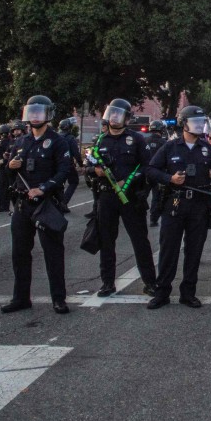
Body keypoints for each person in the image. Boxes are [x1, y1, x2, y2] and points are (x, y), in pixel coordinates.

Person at [145, 106, 211, 309]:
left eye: (201, 122)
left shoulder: (209, 149)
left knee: (194, 251)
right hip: (175, 205)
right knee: (168, 250)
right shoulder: (170, 148)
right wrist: (169, 178)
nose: (199, 126)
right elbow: (151, 169)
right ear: (183, 124)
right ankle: (162, 292)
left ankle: (188, 293)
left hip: (199, 207)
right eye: (194, 122)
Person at [1, 96, 73, 315]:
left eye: (38, 112)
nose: (34, 116)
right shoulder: (21, 141)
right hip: (23, 205)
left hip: (46, 204)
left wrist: (44, 187)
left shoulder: (58, 141)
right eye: (31, 112)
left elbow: (64, 172)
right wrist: (10, 166)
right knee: (20, 253)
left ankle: (58, 299)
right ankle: (21, 298)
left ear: (48, 114)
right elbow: (9, 172)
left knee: (53, 253)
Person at [86, 98, 156, 297]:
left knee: (140, 241)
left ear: (127, 118)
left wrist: (129, 180)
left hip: (131, 197)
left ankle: (150, 282)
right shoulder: (100, 140)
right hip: (106, 197)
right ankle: (107, 283)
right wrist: (94, 170)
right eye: (112, 114)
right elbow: (89, 166)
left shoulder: (136, 140)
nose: (114, 118)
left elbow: (147, 167)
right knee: (107, 242)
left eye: (119, 115)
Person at [145, 120, 167, 226]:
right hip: (158, 174)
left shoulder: (144, 141)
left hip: (145, 173)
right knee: (156, 197)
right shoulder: (164, 143)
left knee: (142, 194)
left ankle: (137, 214)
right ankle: (153, 219)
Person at [58, 118, 83, 207]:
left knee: (59, 184)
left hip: (57, 165)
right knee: (74, 182)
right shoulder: (70, 138)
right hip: (68, 165)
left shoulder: (56, 137)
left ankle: (58, 202)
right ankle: (63, 202)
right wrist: (81, 165)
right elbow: (76, 153)